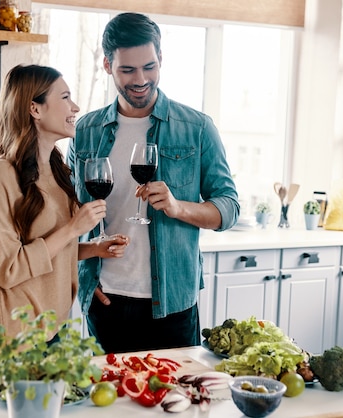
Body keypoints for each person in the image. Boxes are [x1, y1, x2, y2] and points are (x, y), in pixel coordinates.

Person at [67, 13, 239, 353]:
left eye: (149, 67)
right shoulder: (85, 131)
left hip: (172, 303)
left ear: (161, 59)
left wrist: (178, 208)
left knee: (176, 402)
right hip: (105, 300)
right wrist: (82, 276)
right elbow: (69, 214)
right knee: (110, 405)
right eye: (127, 70)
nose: (141, 79)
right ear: (106, 65)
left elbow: (229, 208)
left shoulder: (197, 127)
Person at [0, 64, 129, 338]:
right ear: (35, 109)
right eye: (65, 97)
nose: (76, 107)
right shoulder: (1, 175)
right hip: (17, 337)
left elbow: (48, 248)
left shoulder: (58, 171)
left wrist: (92, 248)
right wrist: (73, 228)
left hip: (54, 329)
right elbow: (9, 269)